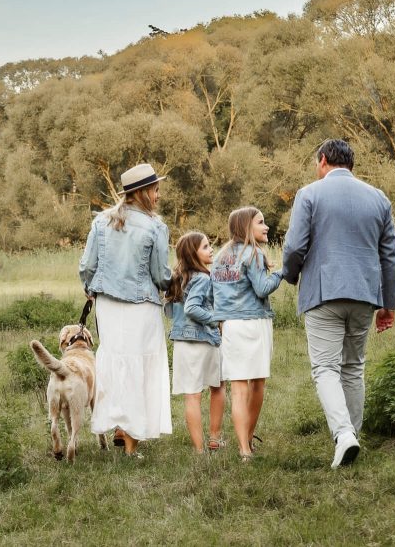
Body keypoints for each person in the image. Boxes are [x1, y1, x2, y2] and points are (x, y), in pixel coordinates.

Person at [281, 139, 395, 468]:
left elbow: (293, 248)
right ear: (351, 163)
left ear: (322, 161)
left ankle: (344, 435)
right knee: (353, 366)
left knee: (325, 368)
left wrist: (290, 276)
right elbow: (390, 255)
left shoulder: (309, 194)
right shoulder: (379, 199)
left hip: (324, 292)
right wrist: (388, 303)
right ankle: (352, 436)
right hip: (364, 294)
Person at [79, 163, 173, 457]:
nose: (159, 195)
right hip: (141, 306)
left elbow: (87, 267)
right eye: (156, 189)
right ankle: (131, 445)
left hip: (107, 306)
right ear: (144, 192)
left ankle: (119, 424)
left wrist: (92, 288)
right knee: (140, 368)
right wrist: (175, 282)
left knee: (115, 363)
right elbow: (160, 276)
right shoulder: (156, 228)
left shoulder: (101, 222)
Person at [211, 206, 283, 461]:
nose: (266, 227)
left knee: (238, 389)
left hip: (230, 326)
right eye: (260, 223)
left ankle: (244, 449)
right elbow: (262, 288)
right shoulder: (252, 253)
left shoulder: (219, 257)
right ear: (246, 227)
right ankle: (248, 440)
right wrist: (282, 272)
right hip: (254, 323)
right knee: (257, 384)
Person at [165, 231, 225, 454]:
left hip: (182, 342)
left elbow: (171, 310)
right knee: (218, 387)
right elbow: (192, 309)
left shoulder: (179, 277)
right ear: (193, 254)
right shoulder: (202, 278)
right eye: (206, 247)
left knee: (192, 395)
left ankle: (199, 449)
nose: (211, 250)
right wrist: (216, 319)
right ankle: (214, 438)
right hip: (204, 340)